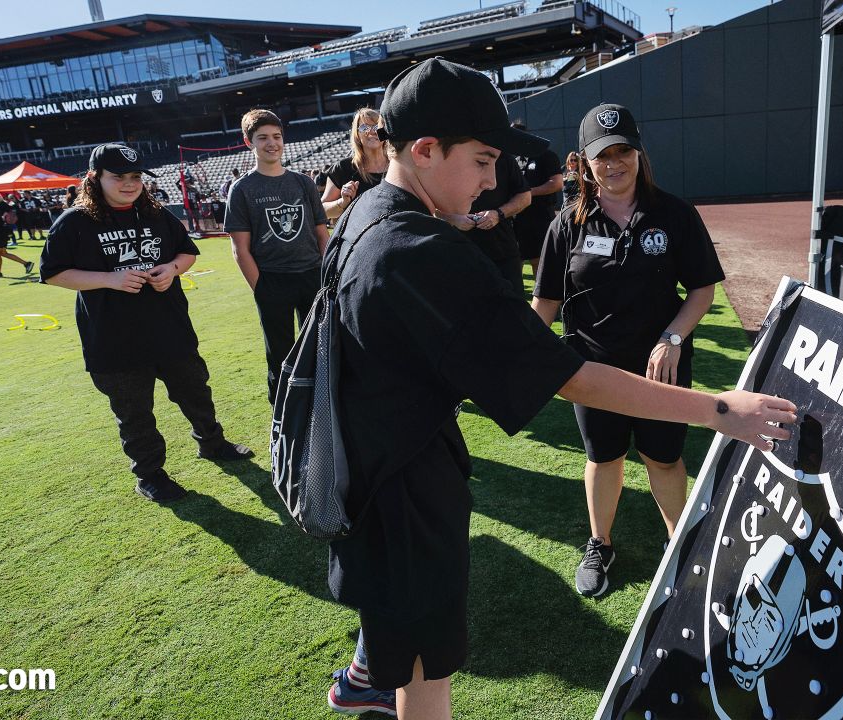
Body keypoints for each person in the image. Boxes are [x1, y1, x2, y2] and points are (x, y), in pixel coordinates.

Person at [322, 58, 795, 720]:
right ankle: (378, 673)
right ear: (426, 149)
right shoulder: (415, 247)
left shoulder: (367, 211)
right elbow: (564, 373)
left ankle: (370, 672)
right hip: (400, 487)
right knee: (427, 662)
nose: (494, 181)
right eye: (484, 161)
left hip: (372, 469)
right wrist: (721, 409)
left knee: (409, 647)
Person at [532, 103, 727, 598]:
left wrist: (672, 338)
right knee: (605, 457)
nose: (613, 163)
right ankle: (600, 543)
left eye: (623, 152)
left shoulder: (675, 214)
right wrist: (521, 354)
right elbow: (546, 301)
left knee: (663, 459)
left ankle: (677, 541)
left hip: (659, 368)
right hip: (592, 370)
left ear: (639, 153)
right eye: (603, 155)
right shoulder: (567, 224)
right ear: (584, 162)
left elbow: (702, 290)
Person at [38, 143, 254, 503]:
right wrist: (109, 279)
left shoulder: (155, 213)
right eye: (118, 177)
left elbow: (186, 253)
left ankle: (212, 443)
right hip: (114, 340)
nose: (128, 184)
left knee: (196, 391)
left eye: (135, 176)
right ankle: (150, 475)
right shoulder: (75, 221)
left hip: (170, 329)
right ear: (94, 178)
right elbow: (53, 274)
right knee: (135, 413)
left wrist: (172, 269)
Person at [224, 108, 329, 403]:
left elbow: (322, 233)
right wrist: (262, 288)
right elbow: (239, 248)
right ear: (249, 142)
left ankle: (322, 404)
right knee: (281, 355)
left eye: (277, 136)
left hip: (312, 276)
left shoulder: (303, 182)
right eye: (263, 138)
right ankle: (283, 413)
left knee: (322, 347)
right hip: (272, 280)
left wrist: (326, 273)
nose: (272, 143)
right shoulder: (242, 189)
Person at [435, 151, 530, 293]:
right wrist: (453, 219)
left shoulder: (504, 157)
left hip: (501, 250)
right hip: (458, 252)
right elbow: (426, 201)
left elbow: (525, 196)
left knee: (512, 308)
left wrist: (498, 214)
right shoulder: (446, 156)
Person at [510, 122, 565, 278]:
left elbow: (557, 183)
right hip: (515, 219)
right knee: (514, 262)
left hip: (539, 219)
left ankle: (545, 300)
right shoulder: (511, 159)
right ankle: (515, 300)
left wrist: (527, 193)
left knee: (539, 264)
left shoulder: (545, 155)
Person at [322, 107, 389, 222]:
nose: (372, 131)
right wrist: (342, 202)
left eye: (377, 126)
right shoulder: (343, 168)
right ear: (357, 134)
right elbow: (321, 211)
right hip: (360, 238)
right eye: (364, 127)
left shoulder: (398, 165)